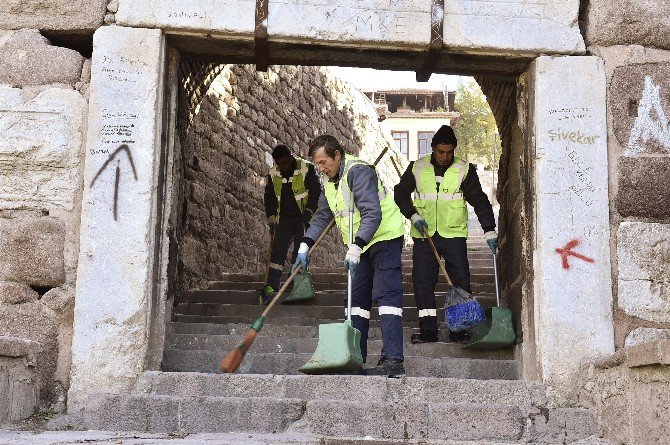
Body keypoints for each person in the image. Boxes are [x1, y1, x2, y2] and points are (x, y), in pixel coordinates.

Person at [292, 135, 406, 376]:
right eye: (317, 165)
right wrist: (305, 244)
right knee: (355, 302)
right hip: (360, 245)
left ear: (337, 155)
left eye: (324, 162)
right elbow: (323, 216)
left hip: (384, 238)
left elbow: (372, 214)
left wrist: (356, 247)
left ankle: (393, 361)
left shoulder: (359, 172)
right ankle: (355, 357)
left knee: (387, 298)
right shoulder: (327, 180)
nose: (321, 169)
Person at [393, 125, 498, 343]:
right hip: (425, 234)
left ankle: (459, 329)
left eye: (449, 152)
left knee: (460, 280)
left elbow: (479, 200)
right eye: (441, 152)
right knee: (422, 282)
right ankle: (428, 330)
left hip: (453, 235)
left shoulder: (464, 169)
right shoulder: (417, 168)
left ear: (454, 150)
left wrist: (488, 229)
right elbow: (400, 193)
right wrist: (413, 216)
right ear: (433, 149)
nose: (445, 156)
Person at [260, 144, 321, 305]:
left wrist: (309, 211)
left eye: (286, 162)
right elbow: (270, 197)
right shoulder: (274, 174)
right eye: (280, 164)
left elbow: (316, 192)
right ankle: (272, 286)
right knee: (277, 252)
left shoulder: (306, 168)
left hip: (302, 217)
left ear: (291, 157)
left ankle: (295, 286)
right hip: (284, 219)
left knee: (299, 252)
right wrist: (272, 217)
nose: (284, 166)